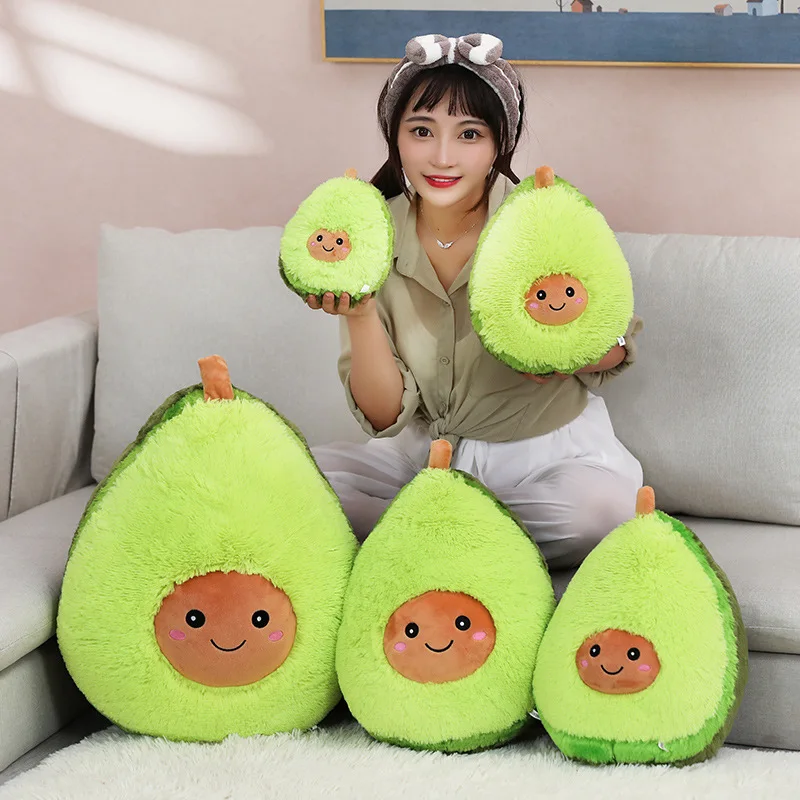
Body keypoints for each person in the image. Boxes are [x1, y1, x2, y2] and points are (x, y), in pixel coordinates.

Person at [308, 33, 643, 570]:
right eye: (421, 131)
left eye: (469, 134)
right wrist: (363, 314)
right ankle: (467, 542)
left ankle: (425, 541)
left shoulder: (542, 219)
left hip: (541, 456)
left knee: (599, 515)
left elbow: (617, 343)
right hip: (418, 458)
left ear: (498, 144)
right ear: (395, 138)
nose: (442, 157)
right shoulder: (367, 236)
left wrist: (568, 351)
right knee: (293, 485)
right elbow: (384, 415)